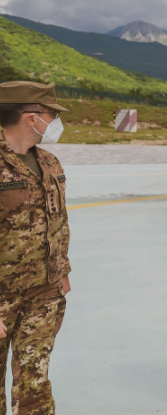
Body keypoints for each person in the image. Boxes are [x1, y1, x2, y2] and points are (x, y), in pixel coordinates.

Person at [0, 81, 71, 415]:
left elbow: (59, 222)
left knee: (34, 381)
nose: (56, 121)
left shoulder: (50, 162)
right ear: (31, 118)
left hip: (43, 291)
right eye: (52, 114)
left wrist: (61, 271)